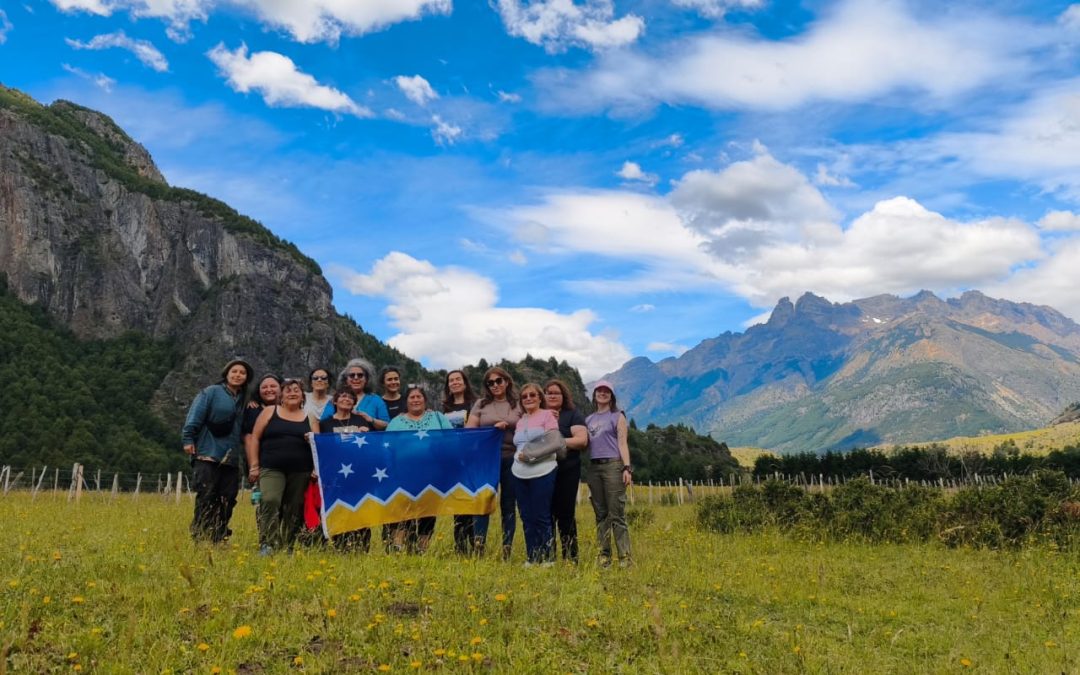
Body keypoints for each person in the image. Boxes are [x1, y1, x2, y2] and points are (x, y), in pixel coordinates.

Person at [181, 358, 252, 543]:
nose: (238, 375)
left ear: (247, 377)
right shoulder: (211, 392)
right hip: (208, 453)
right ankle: (200, 536)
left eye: (242, 373)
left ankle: (218, 536)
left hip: (231, 457)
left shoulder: (245, 399)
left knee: (228, 498)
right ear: (226, 373)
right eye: (234, 371)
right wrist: (188, 438)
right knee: (207, 495)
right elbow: (195, 415)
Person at [247, 378, 320, 555]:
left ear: (302, 395)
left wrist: (315, 467)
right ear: (281, 395)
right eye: (288, 390)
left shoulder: (310, 417)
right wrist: (254, 466)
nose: (292, 393)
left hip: (301, 470)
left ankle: (288, 545)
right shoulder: (269, 411)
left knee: (294, 506)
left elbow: (318, 445)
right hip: (271, 467)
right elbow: (255, 438)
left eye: (296, 390)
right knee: (270, 500)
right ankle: (268, 543)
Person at [386, 386, 453, 553]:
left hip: (432, 473)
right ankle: (399, 546)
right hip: (403, 473)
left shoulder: (438, 417)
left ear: (425, 400)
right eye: (412, 397)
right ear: (406, 401)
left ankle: (422, 548)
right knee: (403, 508)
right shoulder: (396, 422)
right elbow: (387, 446)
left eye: (419, 397)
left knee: (427, 511)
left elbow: (452, 439)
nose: (415, 400)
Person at [466, 366, 520, 559]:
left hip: (512, 458)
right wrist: (491, 430)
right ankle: (479, 547)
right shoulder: (480, 404)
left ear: (507, 382)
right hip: (486, 459)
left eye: (498, 381)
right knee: (483, 501)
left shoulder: (518, 404)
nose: (495, 385)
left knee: (508, 504)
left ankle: (507, 548)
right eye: (490, 383)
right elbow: (470, 430)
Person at [511, 383, 561, 565]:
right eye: (524, 396)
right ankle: (532, 557)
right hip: (519, 473)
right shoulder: (520, 421)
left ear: (540, 398)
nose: (528, 398)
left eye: (532, 395)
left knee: (541, 515)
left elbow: (555, 442)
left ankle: (548, 557)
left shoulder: (548, 415)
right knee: (526, 515)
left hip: (543, 471)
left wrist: (531, 456)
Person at [585, 380, 632, 567]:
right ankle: (604, 556)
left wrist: (627, 467)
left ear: (611, 396)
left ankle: (625, 558)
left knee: (617, 513)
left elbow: (622, 443)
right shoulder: (588, 420)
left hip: (613, 465)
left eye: (606, 391)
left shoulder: (617, 416)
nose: (602, 393)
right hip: (594, 467)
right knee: (600, 514)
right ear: (594, 394)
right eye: (599, 390)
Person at [544, 378, 589, 563]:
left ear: (564, 396)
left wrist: (556, 443)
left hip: (567, 470)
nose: (552, 396)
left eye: (556, 393)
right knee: (546, 514)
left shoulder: (572, 414)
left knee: (565, 514)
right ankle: (548, 556)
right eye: (548, 393)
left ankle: (571, 557)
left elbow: (581, 440)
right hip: (543, 471)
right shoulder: (538, 415)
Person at [320, 388, 371, 551]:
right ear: (335, 401)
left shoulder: (361, 421)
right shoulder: (325, 424)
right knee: (339, 508)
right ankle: (340, 545)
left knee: (360, 508)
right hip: (335, 473)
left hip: (359, 473)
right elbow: (321, 449)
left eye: (350, 398)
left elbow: (370, 446)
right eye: (343, 396)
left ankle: (362, 546)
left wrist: (367, 434)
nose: (347, 399)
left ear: (354, 403)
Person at [442, 369, 479, 554]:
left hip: (472, 459)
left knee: (471, 501)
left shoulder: (475, 404)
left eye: (458, 379)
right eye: (451, 380)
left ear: (465, 382)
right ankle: (460, 546)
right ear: (448, 385)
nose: (455, 382)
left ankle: (475, 543)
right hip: (452, 460)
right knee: (457, 501)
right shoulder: (444, 408)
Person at [321, 358, 389, 431]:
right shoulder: (335, 400)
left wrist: (371, 420)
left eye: (360, 375)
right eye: (352, 375)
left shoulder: (376, 400)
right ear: (346, 379)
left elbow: (387, 425)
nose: (356, 378)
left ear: (366, 379)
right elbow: (323, 424)